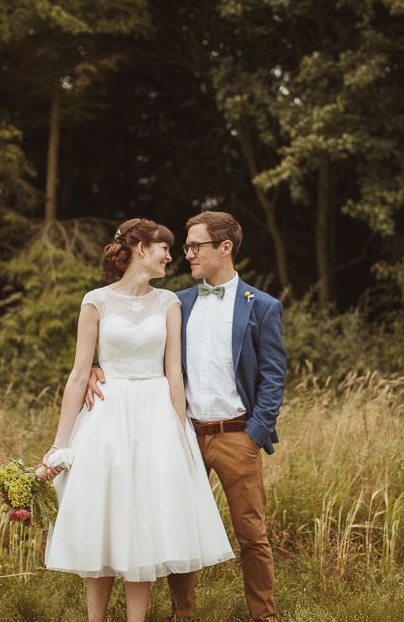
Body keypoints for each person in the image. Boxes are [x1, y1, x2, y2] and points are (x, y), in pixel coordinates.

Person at [87, 211, 285, 622]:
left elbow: (273, 375)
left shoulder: (261, 306)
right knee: (177, 524)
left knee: (252, 535)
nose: (187, 254)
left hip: (236, 434)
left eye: (196, 246)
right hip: (182, 430)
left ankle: (263, 616)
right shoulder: (177, 301)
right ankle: (184, 613)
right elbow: (140, 347)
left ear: (224, 247)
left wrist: (255, 432)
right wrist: (94, 366)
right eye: (186, 246)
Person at [43, 217, 234, 622]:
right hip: (106, 415)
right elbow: (79, 374)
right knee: (102, 516)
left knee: (144, 519)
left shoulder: (169, 303)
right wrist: (61, 445)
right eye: (164, 247)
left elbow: (174, 372)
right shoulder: (95, 301)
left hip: (156, 416)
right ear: (139, 248)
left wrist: (182, 436)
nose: (171, 256)